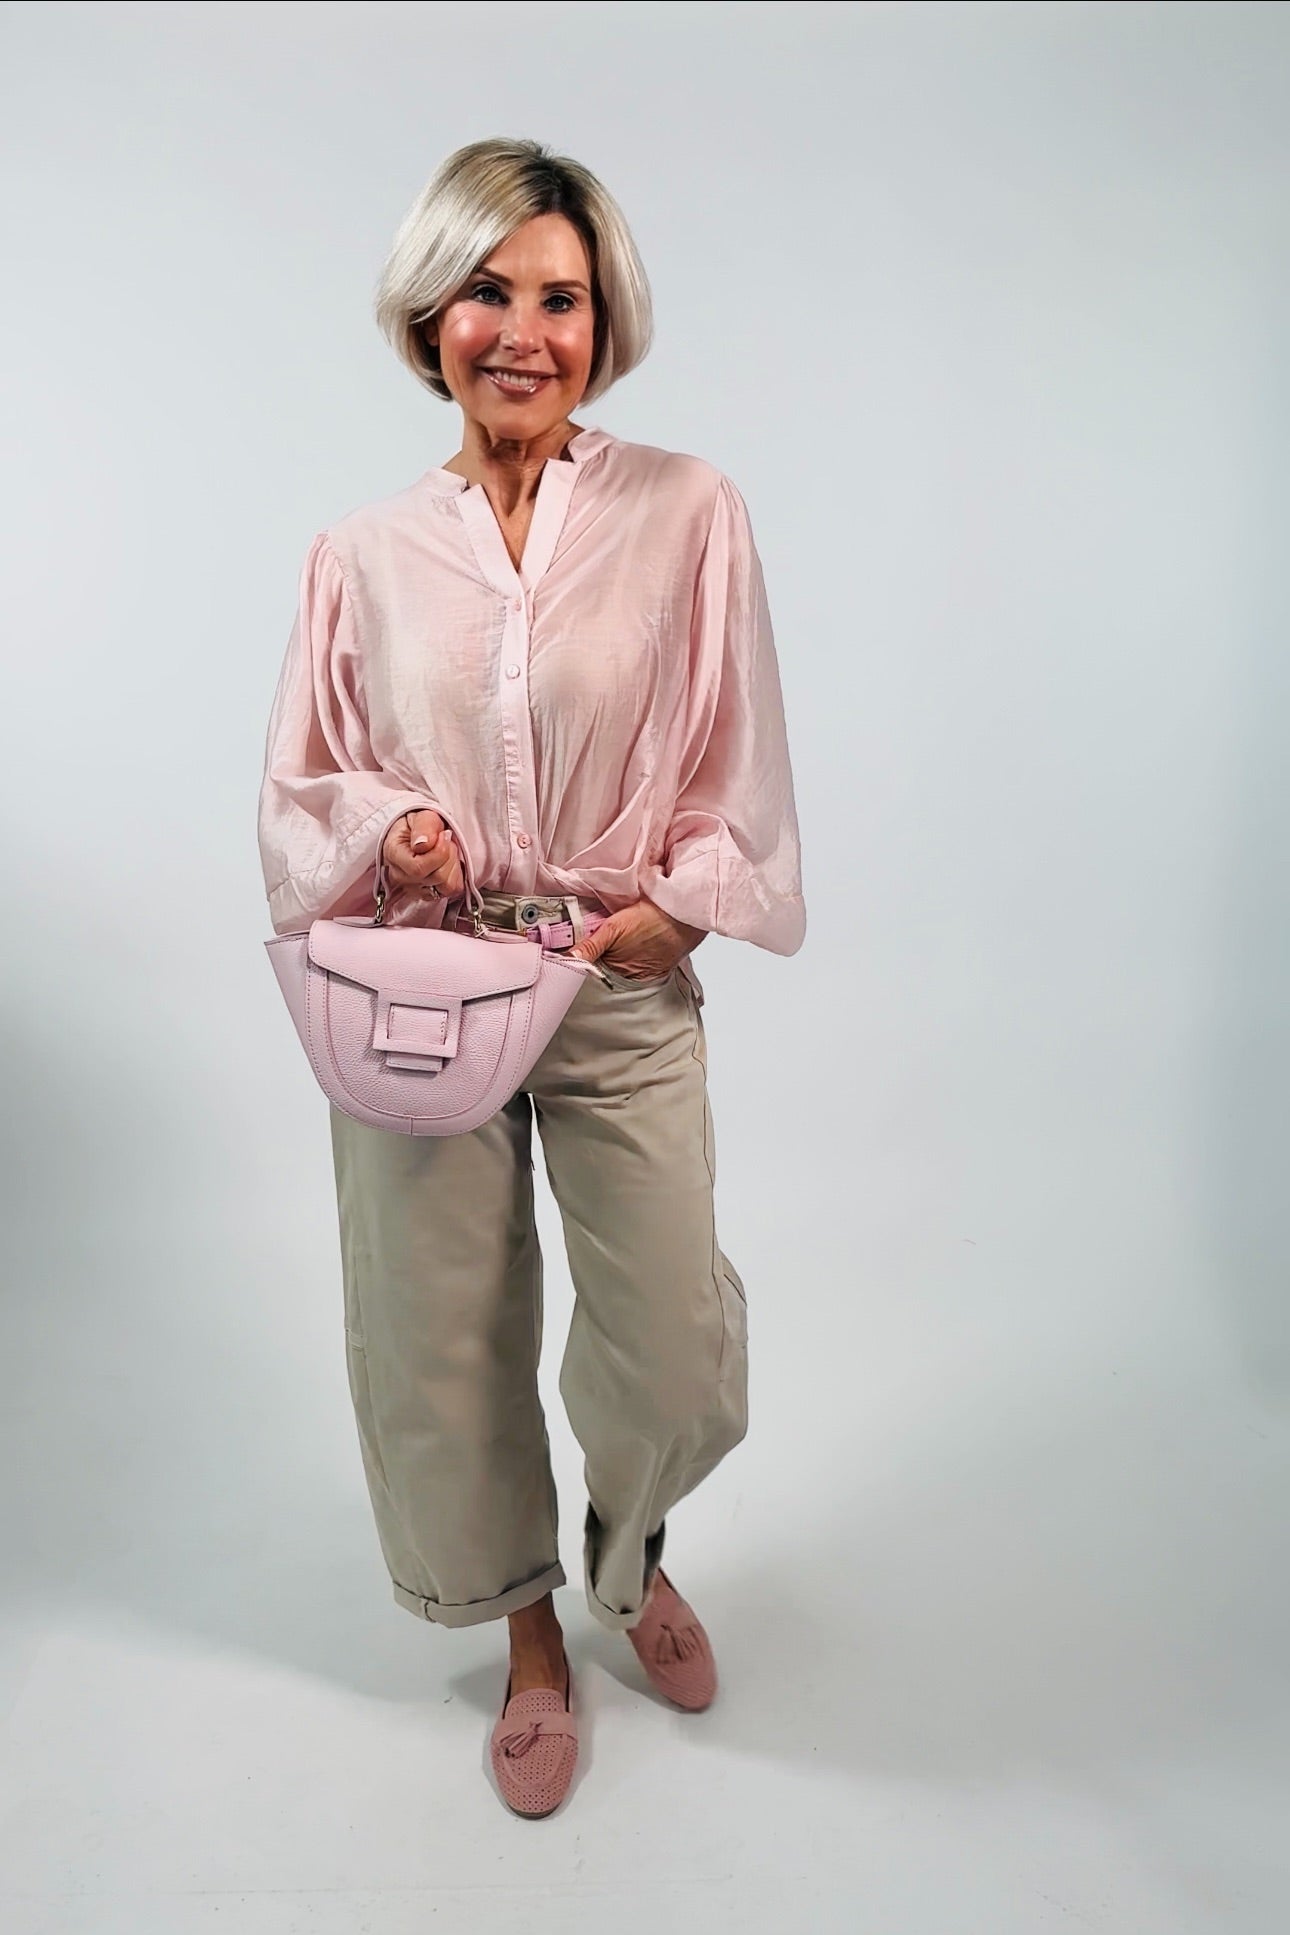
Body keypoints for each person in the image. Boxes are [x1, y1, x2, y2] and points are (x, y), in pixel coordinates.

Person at [256, 136, 805, 1818]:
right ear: (430, 314)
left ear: (602, 320)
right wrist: (395, 831)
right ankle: (527, 1640)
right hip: (420, 986)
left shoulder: (685, 510)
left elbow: (733, 741)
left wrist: (685, 908)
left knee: (671, 1337)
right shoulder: (359, 552)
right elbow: (304, 786)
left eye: (559, 298)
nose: (522, 330)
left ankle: (628, 1560)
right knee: (434, 1334)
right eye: (486, 291)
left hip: (609, 972)